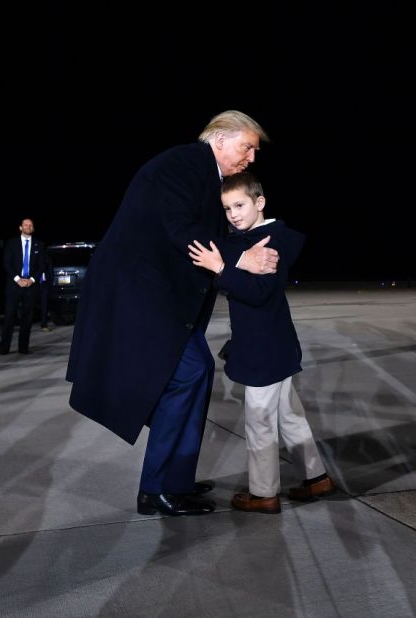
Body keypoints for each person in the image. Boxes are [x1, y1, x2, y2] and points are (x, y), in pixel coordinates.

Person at [66, 110, 279, 517]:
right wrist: (241, 259)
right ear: (220, 138)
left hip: (163, 299)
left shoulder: (207, 177)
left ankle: (175, 482)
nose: (251, 157)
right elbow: (183, 232)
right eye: (246, 146)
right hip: (139, 294)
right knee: (190, 372)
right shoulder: (182, 164)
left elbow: (207, 239)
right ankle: (156, 489)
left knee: (194, 374)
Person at [188, 172, 334, 514]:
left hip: (264, 348)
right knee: (289, 414)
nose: (233, 214)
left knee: (259, 419)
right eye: (226, 208)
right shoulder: (253, 236)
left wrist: (221, 270)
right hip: (276, 342)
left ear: (260, 202)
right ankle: (317, 478)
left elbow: (259, 292)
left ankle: (263, 493)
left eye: (239, 205)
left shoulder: (269, 241)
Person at [0, 218, 42, 355]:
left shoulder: (39, 245)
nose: (28, 227)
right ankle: (4, 348)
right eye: (25, 225)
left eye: (30, 225)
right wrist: (17, 279)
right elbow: (6, 263)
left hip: (30, 285)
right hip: (14, 285)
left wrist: (32, 280)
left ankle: (23, 348)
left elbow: (41, 266)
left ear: (33, 228)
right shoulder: (11, 243)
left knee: (27, 318)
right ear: (20, 228)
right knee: (10, 316)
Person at [38, 251, 54, 332]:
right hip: (31, 282)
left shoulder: (44, 255)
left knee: (44, 304)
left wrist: (50, 282)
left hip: (44, 283)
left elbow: (50, 269)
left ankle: (44, 324)